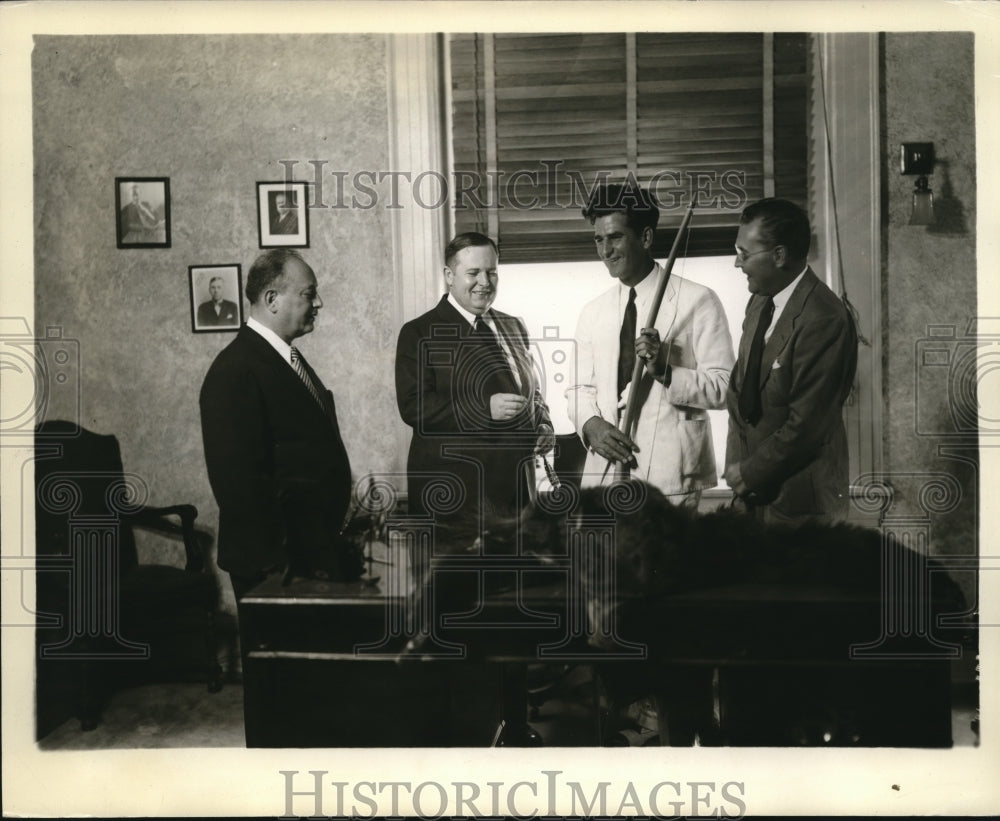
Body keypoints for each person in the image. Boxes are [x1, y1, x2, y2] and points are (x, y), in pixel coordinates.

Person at [199, 248, 354, 603]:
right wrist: (277, 566)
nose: (319, 304)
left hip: (310, 557)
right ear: (272, 299)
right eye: (309, 293)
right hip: (277, 567)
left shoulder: (284, 359)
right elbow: (237, 487)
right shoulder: (235, 371)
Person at [566, 181, 734, 508]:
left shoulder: (698, 300)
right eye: (598, 239)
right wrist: (591, 425)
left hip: (671, 476)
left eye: (615, 237)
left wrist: (665, 372)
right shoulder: (593, 311)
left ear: (645, 237)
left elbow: (725, 388)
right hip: (606, 472)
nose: (605, 251)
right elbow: (577, 388)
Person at [395, 232, 554, 524]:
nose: (485, 282)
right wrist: (484, 409)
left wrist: (542, 422)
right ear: (449, 275)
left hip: (519, 495)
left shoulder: (513, 325)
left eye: (491, 272)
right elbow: (413, 406)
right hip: (457, 500)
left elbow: (530, 389)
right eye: (473, 273)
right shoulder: (418, 332)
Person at [724, 197, 858, 525]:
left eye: (744, 254)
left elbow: (807, 425)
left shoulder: (824, 317)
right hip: (752, 499)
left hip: (802, 507)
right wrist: (740, 480)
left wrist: (749, 474)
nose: (737, 264)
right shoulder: (758, 304)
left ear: (780, 255)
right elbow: (740, 393)